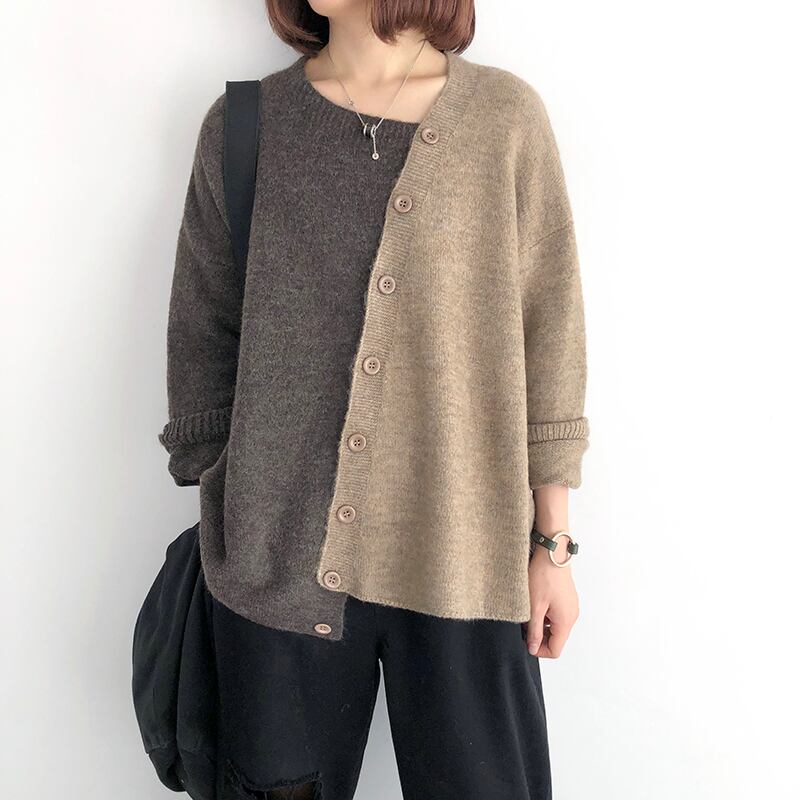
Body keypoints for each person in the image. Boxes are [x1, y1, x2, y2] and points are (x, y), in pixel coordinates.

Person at [158, 1, 589, 797]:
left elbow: (550, 332)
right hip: (276, 568)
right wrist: (229, 496)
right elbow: (204, 327)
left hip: (464, 554)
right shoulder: (245, 126)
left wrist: (551, 544)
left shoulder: (504, 119)